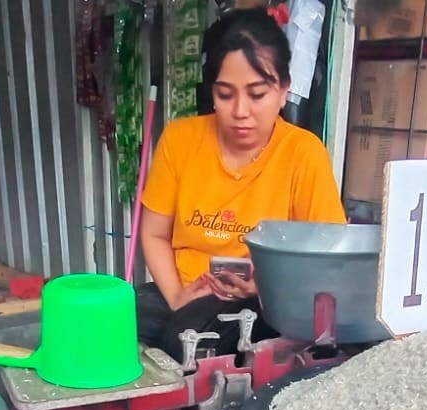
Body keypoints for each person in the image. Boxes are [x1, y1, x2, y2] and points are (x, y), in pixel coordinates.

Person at [137, 8, 346, 358]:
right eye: (225, 94)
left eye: (257, 94)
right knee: (103, 320)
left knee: (182, 338)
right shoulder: (179, 141)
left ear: (283, 91)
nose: (240, 111)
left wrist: (264, 287)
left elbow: (327, 262)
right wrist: (175, 296)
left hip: (264, 302)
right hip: (185, 291)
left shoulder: (303, 154)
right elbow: (154, 234)